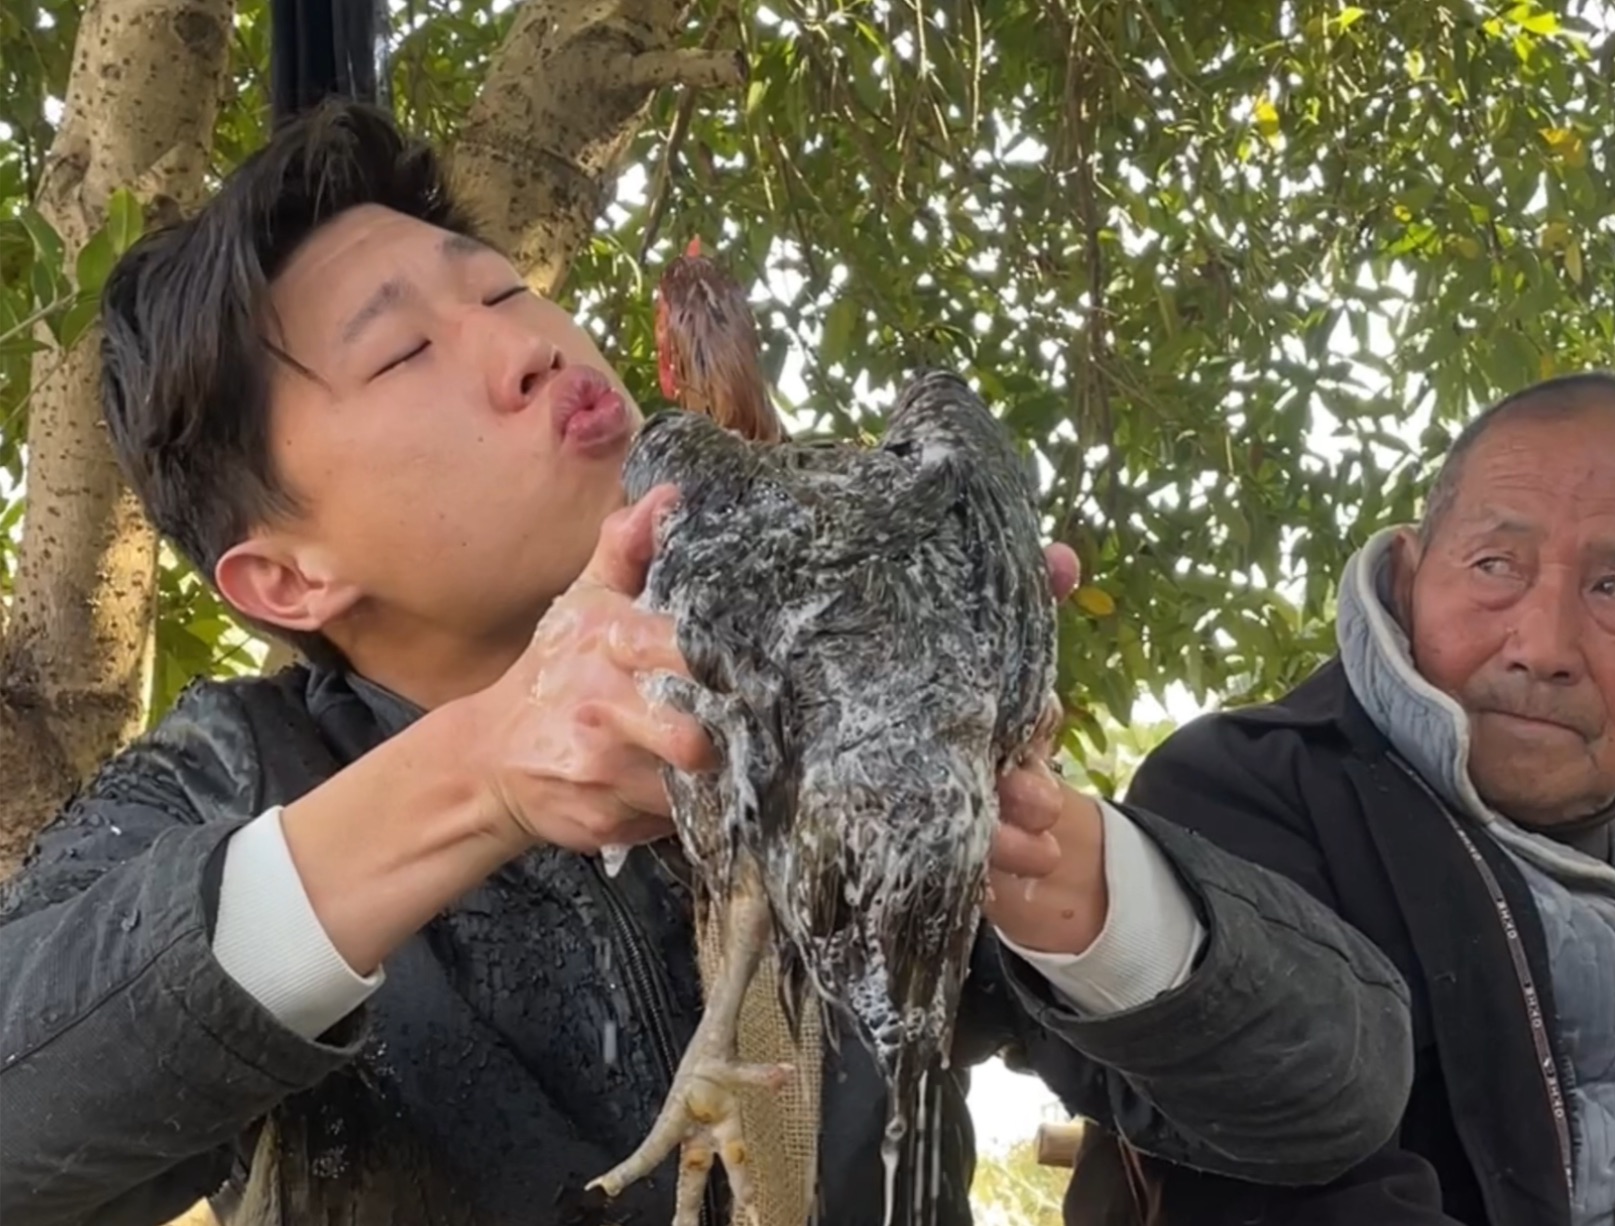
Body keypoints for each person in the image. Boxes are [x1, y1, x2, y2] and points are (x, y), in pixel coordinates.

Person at [0, 103, 1414, 1226]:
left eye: (503, 289)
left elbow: (1339, 1090)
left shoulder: (822, 708)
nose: (526, 345)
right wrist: (480, 774)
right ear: (286, 575)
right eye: (406, 352)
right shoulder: (239, 774)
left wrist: (1055, 860)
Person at [1066, 373, 1615, 1226]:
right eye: (1496, 564)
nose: (1542, 644)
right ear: (1413, 580)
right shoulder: (1249, 795)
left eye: (1613, 587)